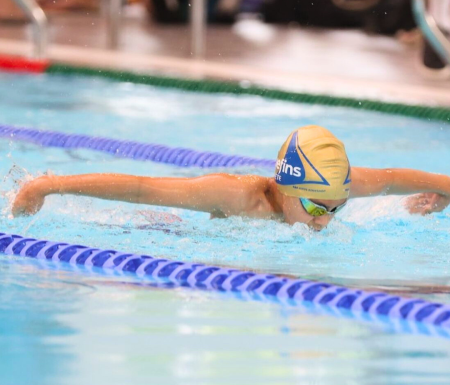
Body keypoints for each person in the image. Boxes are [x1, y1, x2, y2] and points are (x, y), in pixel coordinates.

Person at [11, 125, 450, 231]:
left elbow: (393, 178)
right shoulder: (236, 196)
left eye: (338, 209)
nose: (325, 222)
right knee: (160, 222)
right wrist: (49, 185)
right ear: (286, 188)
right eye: (317, 208)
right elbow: (143, 185)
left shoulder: (332, 188)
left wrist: (443, 192)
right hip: (189, 238)